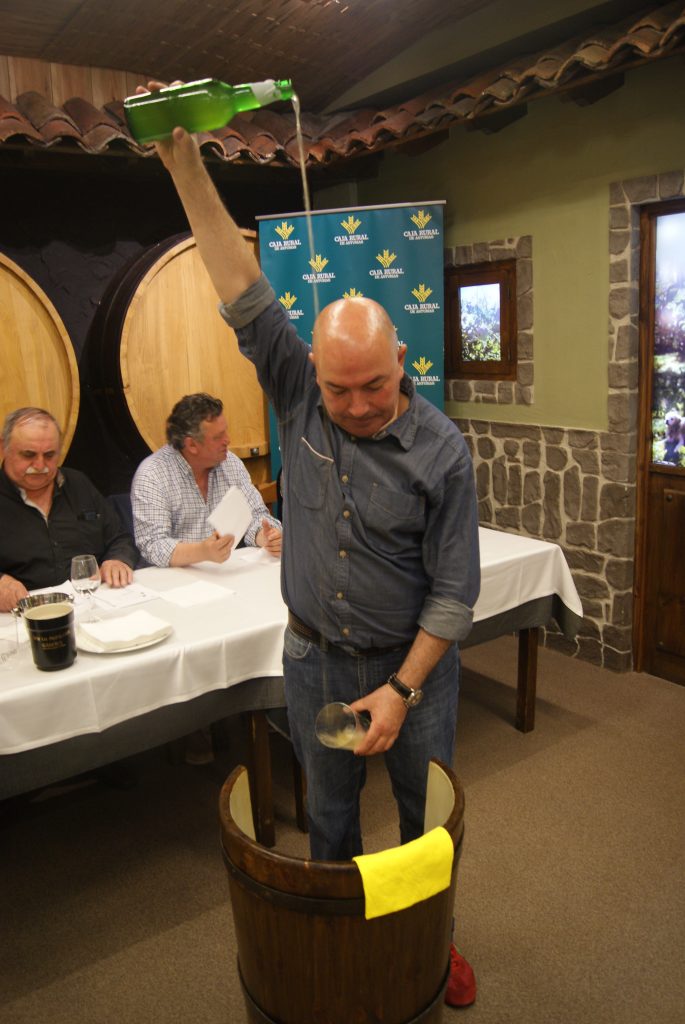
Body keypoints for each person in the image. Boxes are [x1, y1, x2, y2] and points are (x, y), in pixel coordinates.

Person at [147, 88, 480, 1007]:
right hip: (316, 665)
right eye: (339, 390)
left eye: (372, 385)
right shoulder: (298, 390)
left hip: (412, 673)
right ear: (314, 378)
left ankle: (427, 945)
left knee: (422, 824)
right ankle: (343, 958)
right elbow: (241, 288)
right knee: (329, 821)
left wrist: (401, 690)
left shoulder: (442, 451)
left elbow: (453, 595)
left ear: (402, 361)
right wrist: (185, 169)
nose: (357, 405)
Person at [0, 407, 137, 613]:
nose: (40, 465)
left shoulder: (78, 484)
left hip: (93, 605)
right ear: (3, 448)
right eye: (28, 455)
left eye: (49, 455)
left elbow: (119, 537)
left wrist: (117, 559)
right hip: (21, 614)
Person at [131, 392, 282, 567]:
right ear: (192, 445)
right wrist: (202, 552)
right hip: (174, 578)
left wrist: (266, 536)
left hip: (225, 572)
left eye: (225, 431)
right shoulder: (152, 475)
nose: (228, 440)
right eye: (218, 437)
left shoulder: (230, 463)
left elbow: (255, 515)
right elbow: (153, 544)